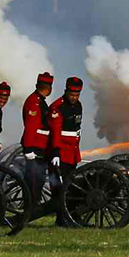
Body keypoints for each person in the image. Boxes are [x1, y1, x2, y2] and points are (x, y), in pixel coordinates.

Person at [47, 77, 84, 226]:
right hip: (60, 152)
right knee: (59, 188)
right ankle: (61, 218)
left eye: (77, 94)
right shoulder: (57, 107)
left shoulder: (79, 105)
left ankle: (71, 216)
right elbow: (55, 132)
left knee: (71, 185)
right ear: (66, 91)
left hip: (71, 152)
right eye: (72, 94)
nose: (74, 97)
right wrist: (55, 152)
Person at [20, 72, 54, 203]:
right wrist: (28, 149)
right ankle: (31, 205)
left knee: (38, 178)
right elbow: (30, 127)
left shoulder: (39, 101)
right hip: (34, 145)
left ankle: (34, 203)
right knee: (33, 179)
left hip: (40, 146)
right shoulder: (34, 102)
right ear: (49, 88)